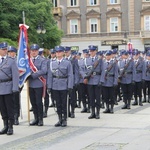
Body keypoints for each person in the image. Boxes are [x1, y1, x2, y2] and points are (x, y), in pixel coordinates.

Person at [47, 46, 73, 127]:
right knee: (57, 103)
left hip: (64, 85)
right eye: (56, 52)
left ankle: (64, 119)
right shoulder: (52, 63)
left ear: (63, 53)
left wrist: (70, 86)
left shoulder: (67, 63)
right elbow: (50, 76)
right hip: (55, 86)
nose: (58, 53)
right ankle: (59, 119)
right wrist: (49, 86)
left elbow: (70, 75)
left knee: (64, 103)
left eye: (59, 52)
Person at [0, 42, 19, 135]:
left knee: (9, 108)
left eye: (5, 49)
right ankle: (5, 125)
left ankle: (10, 126)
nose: (5, 51)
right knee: (2, 108)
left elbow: (16, 76)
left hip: (8, 86)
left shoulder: (11, 61)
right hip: (0, 87)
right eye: (3, 49)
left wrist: (15, 88)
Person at [80, 45, 102, 119]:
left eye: (93, 51)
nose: (91, 52)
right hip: (89, 81)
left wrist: (101, 81)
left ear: (95, 51)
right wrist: (85, 76)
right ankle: (92, 112)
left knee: (98, 98)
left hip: (97, 80)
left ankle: (98, 113)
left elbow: (103, 71)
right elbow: (81, 70)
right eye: (90, 51)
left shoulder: (99, 59)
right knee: (91, 97)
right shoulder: (86, 60)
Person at [28, 44, 47, 126]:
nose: (34, 52)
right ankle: (35, 118)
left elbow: (43, 70)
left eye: (35, 51)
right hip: (30, 84)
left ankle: (40, 119)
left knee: (39, 102)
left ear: (38, 51)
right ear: (30, 51)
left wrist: (32, 75)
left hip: (39, 83)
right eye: (32, 51)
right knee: (33, 102)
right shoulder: (28, 61)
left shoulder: (42, 60)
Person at [64, 46, 79, 118]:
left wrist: (76, 81)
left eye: (67, 52)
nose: (66, 53)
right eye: (65, 52)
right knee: (65, 97)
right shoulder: (63, 59)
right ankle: (67, 111)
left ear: (70, 51)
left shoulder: (74, 60)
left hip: (72, 79)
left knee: (72, 97)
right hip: (64, 80)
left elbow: (76, 71)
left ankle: (72, 111)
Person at [7, 46, 21, 125]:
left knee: (16, 101)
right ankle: (10, 117)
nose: (10, 53)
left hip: (17, 83)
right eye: (9, 52)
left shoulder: (18, 60)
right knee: (9, 102)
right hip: (8, 84)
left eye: (12, 52)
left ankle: (16, 117)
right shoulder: (6, 60)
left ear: (15, 53)